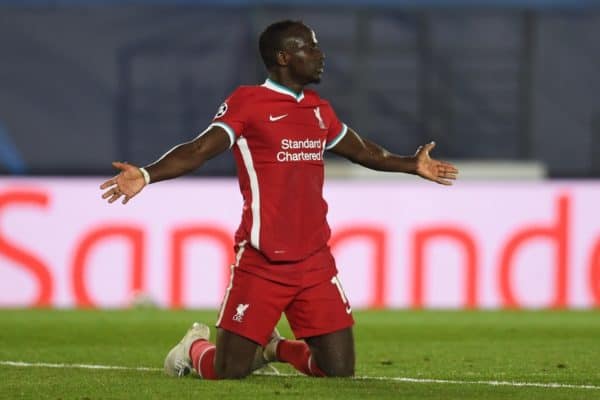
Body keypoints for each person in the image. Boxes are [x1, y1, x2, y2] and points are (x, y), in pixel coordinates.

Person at [100, 20, 458, 380]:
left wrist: (411, 164)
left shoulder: (319, 110)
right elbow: (199, 149)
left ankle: (275, 348)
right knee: (228, 371)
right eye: (311, 48)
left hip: (314, 262)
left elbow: (364, 152)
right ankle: (193, 348)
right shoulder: (248, 102)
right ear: (285, 57)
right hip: (262, 260)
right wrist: (146, 174)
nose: (320, 55)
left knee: (337, 370)